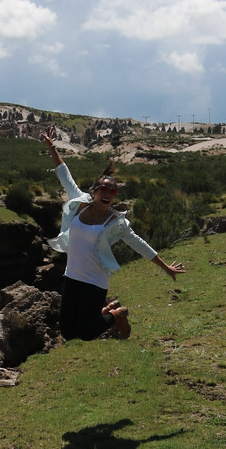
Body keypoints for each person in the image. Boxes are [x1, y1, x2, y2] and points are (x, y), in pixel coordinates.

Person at [40, 125, 185, 341]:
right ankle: (107, 310)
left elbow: (139, 244)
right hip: (72, 276)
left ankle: (117, 314)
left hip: (95, 280)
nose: (108, 193)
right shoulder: (80, 204)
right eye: (104, 189)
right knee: (68, 331)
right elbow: (64, 174)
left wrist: (165, 267)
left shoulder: (117, 222)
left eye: (112, 191)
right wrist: (52, 147)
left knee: (87, 333)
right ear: (94, 192)